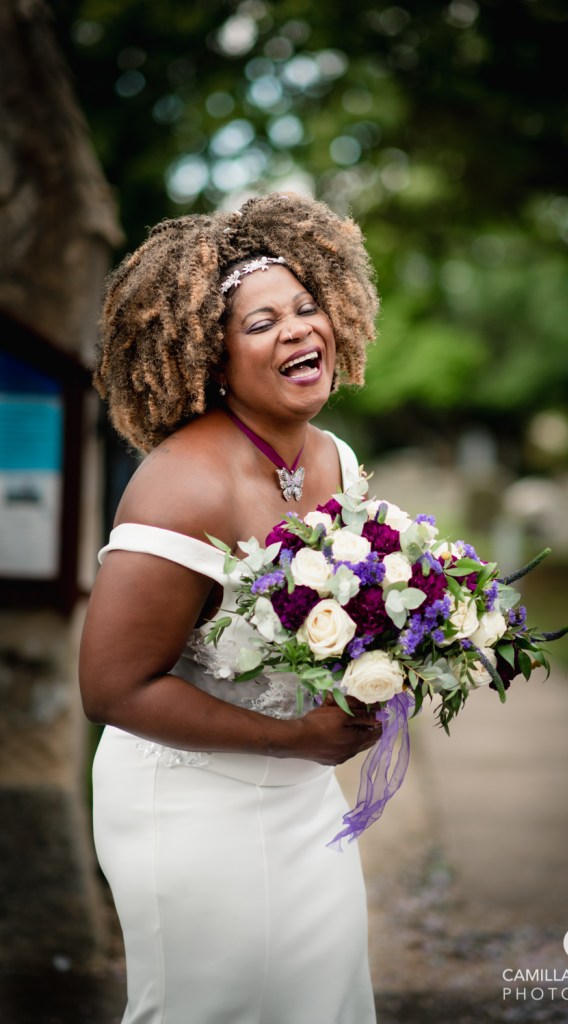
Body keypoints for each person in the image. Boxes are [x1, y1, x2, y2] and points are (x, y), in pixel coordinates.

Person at [78, 191, 382, 1024]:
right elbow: (111, 690)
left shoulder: (336, 461)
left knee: (323, 999)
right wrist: (295, 737)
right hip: (185, 798)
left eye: (307, 307)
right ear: (212, 358)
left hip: (300, 791)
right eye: (261, 323)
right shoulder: (183, 485)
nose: (298, 330)